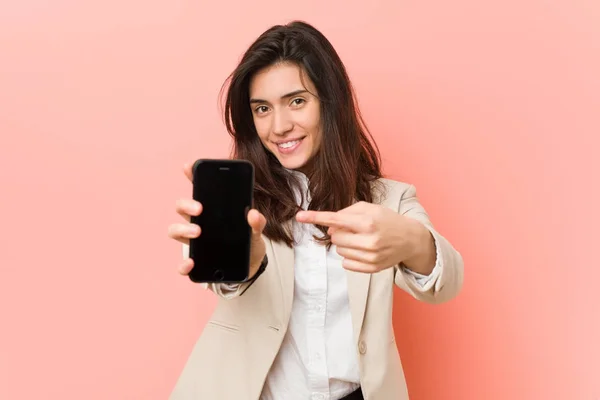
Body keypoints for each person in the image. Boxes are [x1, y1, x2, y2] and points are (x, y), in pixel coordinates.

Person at [167, 20, 464, 400]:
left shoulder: (388, 200)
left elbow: (448, 283)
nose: (279, 126)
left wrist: (411, 242)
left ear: (330, 102)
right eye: (262, 108)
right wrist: (247, 263)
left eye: (297, 101)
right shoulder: (240, 201)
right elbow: (220, 281)